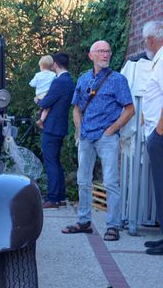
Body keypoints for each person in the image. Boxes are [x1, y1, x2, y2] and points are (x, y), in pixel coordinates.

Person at [62, 40, 134, 241]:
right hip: (86, 137)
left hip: (106, 137)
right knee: (83, 181)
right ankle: (84, 221)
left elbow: (130, 109)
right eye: (101, 51)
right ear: (91, 55)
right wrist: (79, 129)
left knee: (111, 182)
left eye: (108, 51)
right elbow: (76, 108)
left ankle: (113, 226)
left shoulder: (118, 80)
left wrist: (111, 130)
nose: (105, 55)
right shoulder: (83, 79)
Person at [36, 52, 74, 209]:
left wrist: (39, 100)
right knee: (56, 162)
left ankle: (53, 198)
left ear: (55, 65)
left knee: (51, 162)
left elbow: (46, 101)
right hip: (59, 126)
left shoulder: (60, 82)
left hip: (52, 128)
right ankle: (60, 196)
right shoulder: (69, 80)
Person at [140, 21, 163, 255]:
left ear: (152, 39)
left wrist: (159, 131)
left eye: (145, 39)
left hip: (160, 134)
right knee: (159, 187)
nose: (145, 43)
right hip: (156, 133)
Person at [29, 56, 56, 127]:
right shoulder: (53, 75)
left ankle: (40, 118)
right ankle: (41, 121)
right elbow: (56, 83)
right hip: (47, 94)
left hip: (39, 95)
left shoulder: (38, 75)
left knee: (44, 108)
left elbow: (32, 84)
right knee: (47, 108)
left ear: (41, 66)